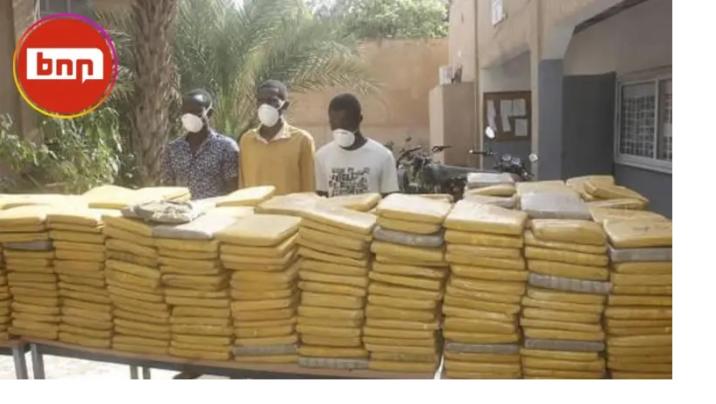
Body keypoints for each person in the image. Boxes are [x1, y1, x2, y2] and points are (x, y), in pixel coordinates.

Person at [239, 80, 316, 195]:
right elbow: (242, 186)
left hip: (287, 207)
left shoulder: (302, 140)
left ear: (285, 105)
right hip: (254, 207)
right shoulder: (247, 140)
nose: (265, 106)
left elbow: (308, 188)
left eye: (272, 101)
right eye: (261, 101)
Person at [160, 89, 239, 199]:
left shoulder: (226, 147)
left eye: (195, 112)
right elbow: (168, 188)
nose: (190, 117)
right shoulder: (173, 149)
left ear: (209, 113)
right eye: (186, 113)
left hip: (213, 209)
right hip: (181, 208)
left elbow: (233, 190)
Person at [315, 93, 399, 197]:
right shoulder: (322, 156)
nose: (340, 128)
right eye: (334, 123)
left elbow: (390, 199)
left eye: (345, 122)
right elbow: (321, 198)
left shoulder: (383, 156)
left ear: (359, 119)